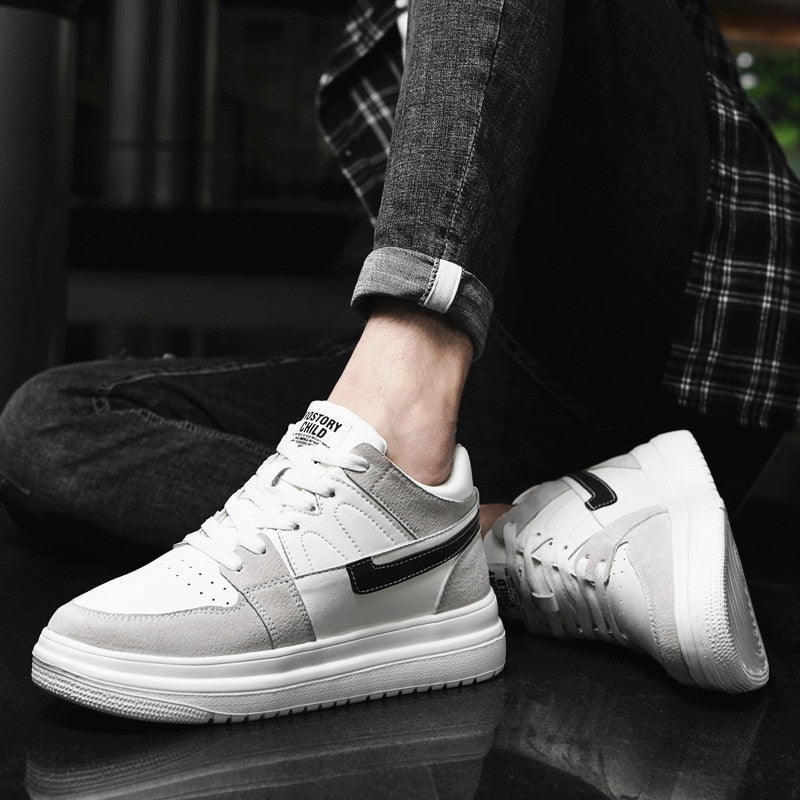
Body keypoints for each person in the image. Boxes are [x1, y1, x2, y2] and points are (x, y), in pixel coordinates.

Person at [1, 0, 793, 721]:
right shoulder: (373, 30)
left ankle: (398, 457)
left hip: (682, 328)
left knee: (397, 405)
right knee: (50, 425)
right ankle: (502, 538)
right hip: (497, 390)